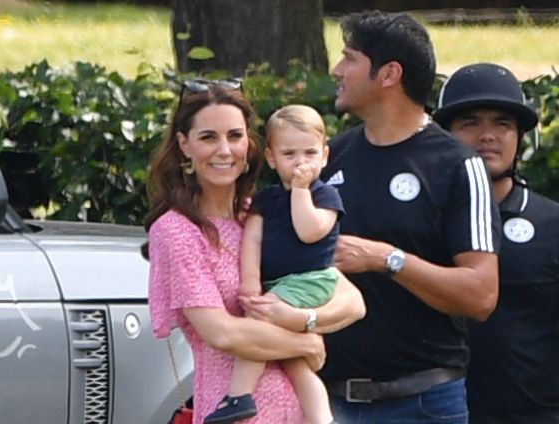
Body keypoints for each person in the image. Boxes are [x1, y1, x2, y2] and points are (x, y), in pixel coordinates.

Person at [315, 11, 500, 423]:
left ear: (389, 74)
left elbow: (482, 294)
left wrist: (387, 259)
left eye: (349, 58)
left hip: (423, 404)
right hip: (329, 401)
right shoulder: (332, 156)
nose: (336, 70)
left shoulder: (456, 165)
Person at [146, 80, 366, 424]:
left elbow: (352, 300)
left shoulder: (265, 212)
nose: (224, 150)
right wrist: (305, 344)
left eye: (234, 136)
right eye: (208, 137)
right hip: (235, 412)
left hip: (298, 411)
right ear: (183, 145)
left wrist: (303, 321)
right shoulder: (178, 231)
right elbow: (222, 332)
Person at [434, 62, 559, 423]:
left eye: (502, 123)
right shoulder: (420, 224)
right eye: (470, 122)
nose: (487, 135)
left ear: (522, 138)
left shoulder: (551, 224)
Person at [205, 105, 344, 424]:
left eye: (309, 152)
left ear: (324, 155)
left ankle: (238, 396)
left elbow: (310, 231)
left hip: (311, 281)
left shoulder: (326, 196)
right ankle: (321, 418)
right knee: (295, 362)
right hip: (277, 284)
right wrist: (250, 281)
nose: (300, 162)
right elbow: (252, 239)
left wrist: (300, 191)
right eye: (289, 154)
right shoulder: (266, 200)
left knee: (257, 328)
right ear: (271, 158)